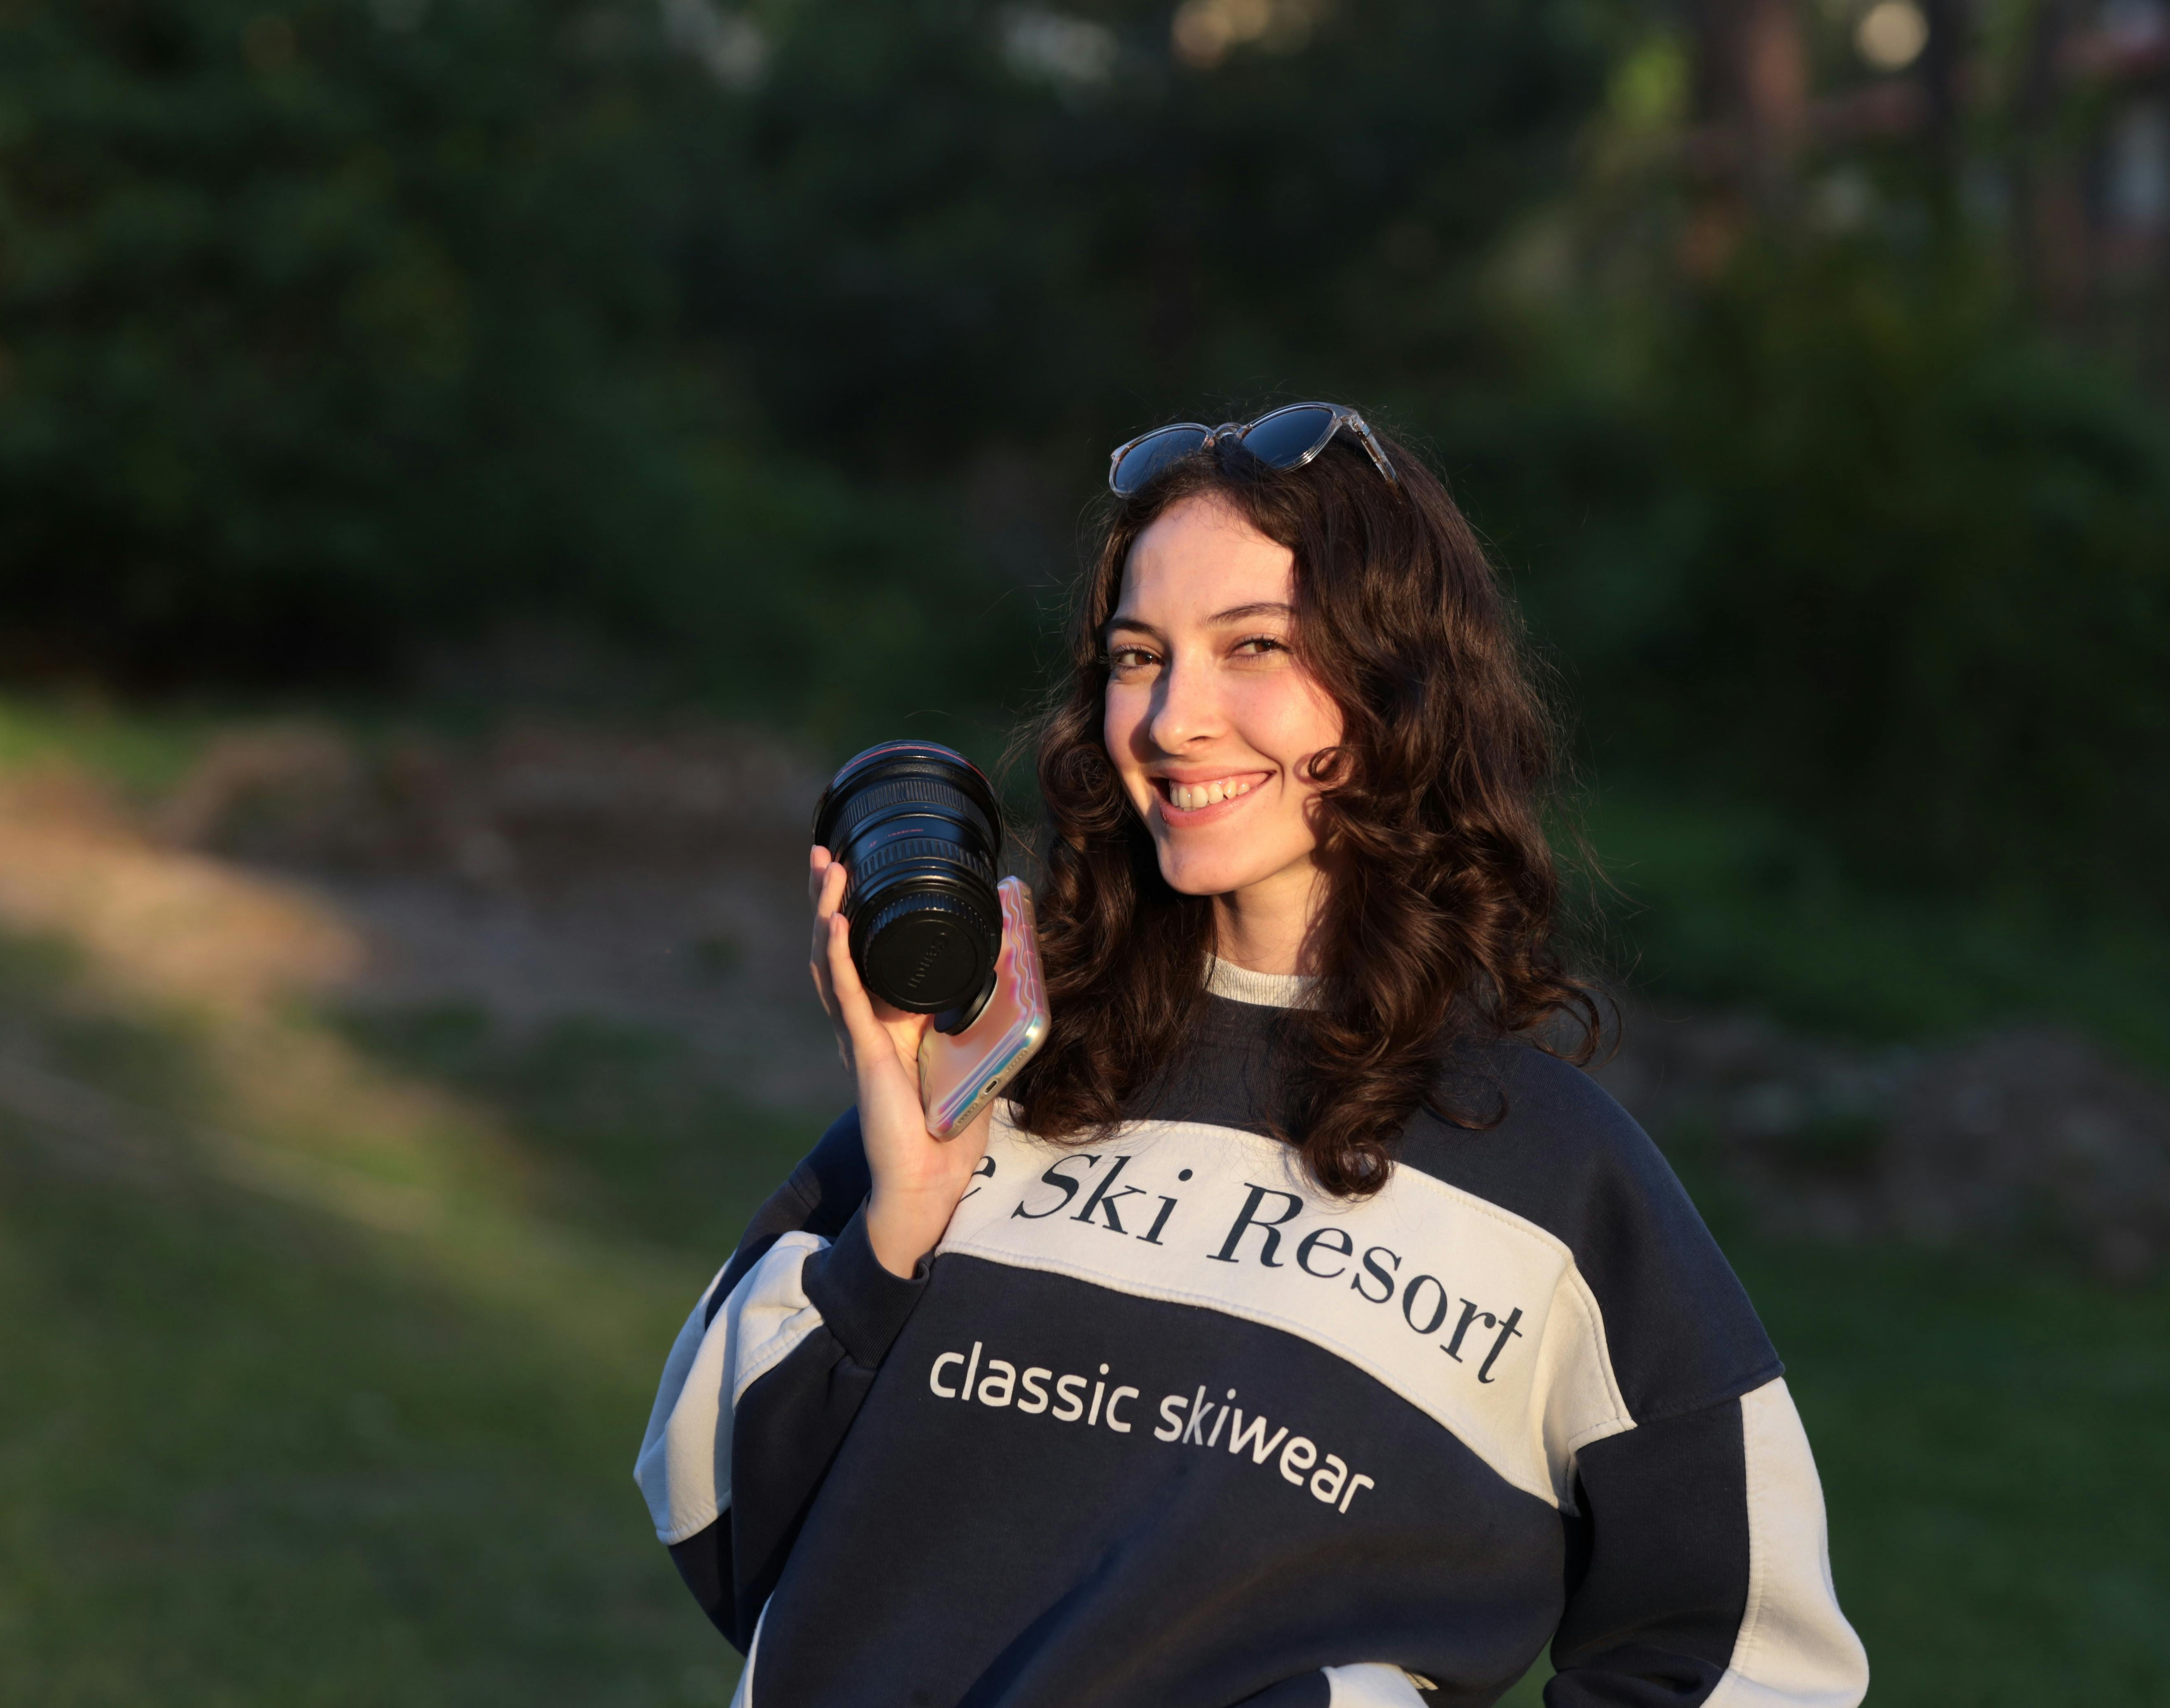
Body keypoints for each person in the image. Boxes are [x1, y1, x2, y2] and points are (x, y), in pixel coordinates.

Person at [635, 404, 1870, 1708]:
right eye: (1137, 656)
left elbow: (1753, 1663)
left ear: (1397, 684)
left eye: (1256, 649)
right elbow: (713, 1517)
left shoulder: (1558, 1183)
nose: (1174, 720)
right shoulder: (1002, 1065)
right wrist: (893, 1228)